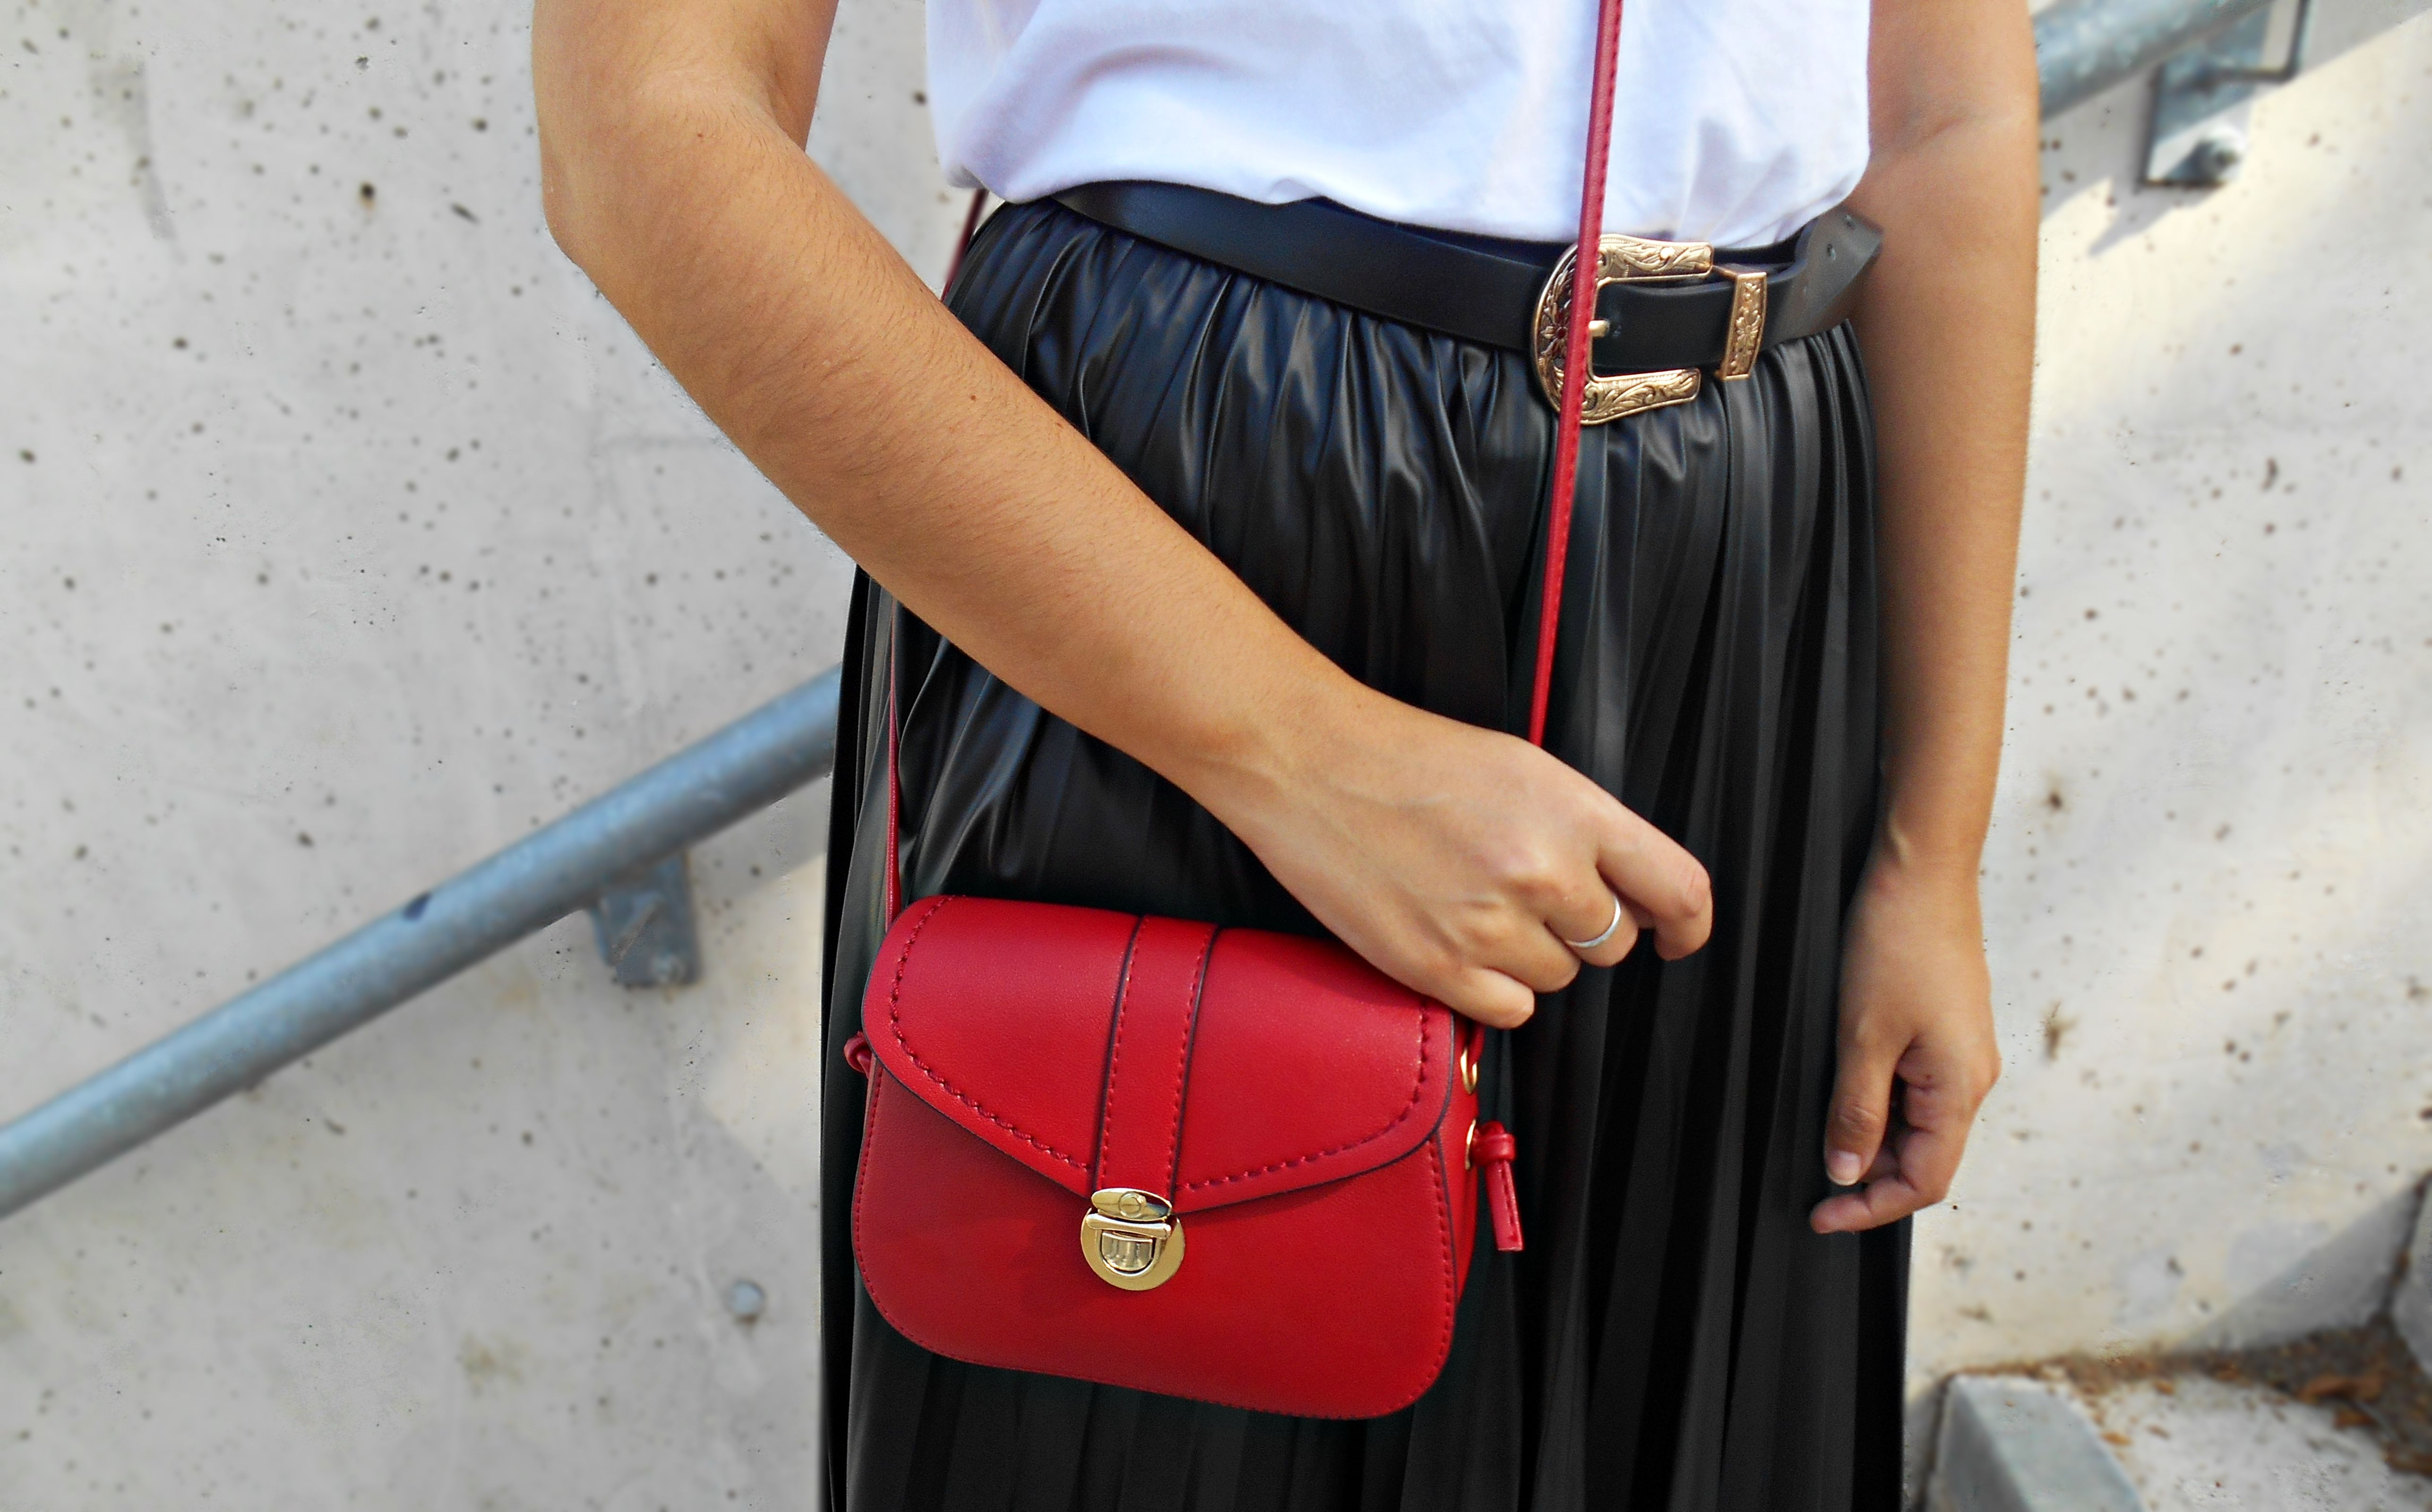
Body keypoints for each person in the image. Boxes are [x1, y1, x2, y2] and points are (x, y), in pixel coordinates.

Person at [532, 0, 2032, 1504]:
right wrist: (1299, 757)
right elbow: (646, 127)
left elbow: (1940, 123)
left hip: (1753, 587)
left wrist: (1931, 848)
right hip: (1192, 523)